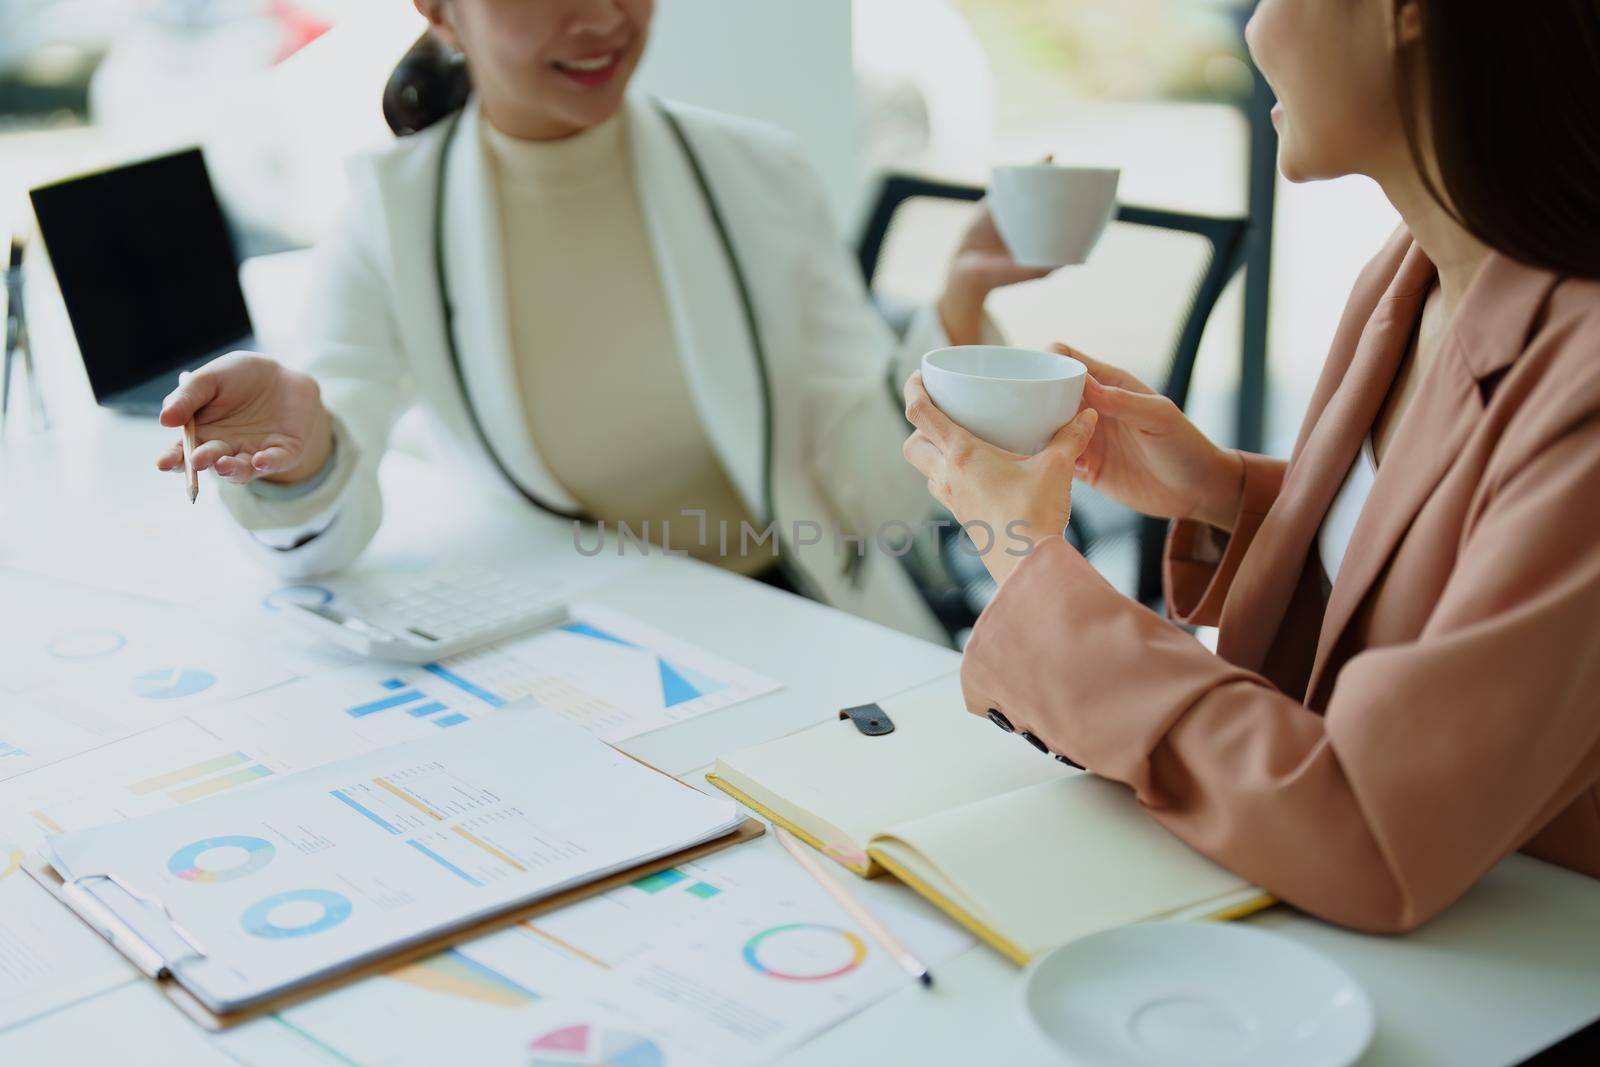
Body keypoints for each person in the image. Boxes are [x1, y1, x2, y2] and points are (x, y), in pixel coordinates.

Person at [902, 0, 1600, 932]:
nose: (1253, 31)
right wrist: (1226, 491)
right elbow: (1449, 559)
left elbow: (1368, 826)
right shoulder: (1411, 274)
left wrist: (1033, 568)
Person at [155, 0, 1041, 643]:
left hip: (794, 616)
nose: (601, 18)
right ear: (439, 11)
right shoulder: (392, 215)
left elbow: (869, 487)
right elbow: (321, 544)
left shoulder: (756, 174)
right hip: (571, 651)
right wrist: (301, 459)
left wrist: (959, 304)